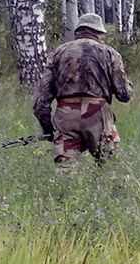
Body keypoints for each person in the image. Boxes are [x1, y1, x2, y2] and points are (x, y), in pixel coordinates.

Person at [33, 13, 134, 165]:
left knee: (66, 169)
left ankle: (67, 187)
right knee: (109, 164)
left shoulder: (57, 53)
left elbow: (41, 102)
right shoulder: (110, 53)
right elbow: (124, 94)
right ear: (99, 33)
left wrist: (49, 129)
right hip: (98, 113)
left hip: (66, 115)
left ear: (78, 31)